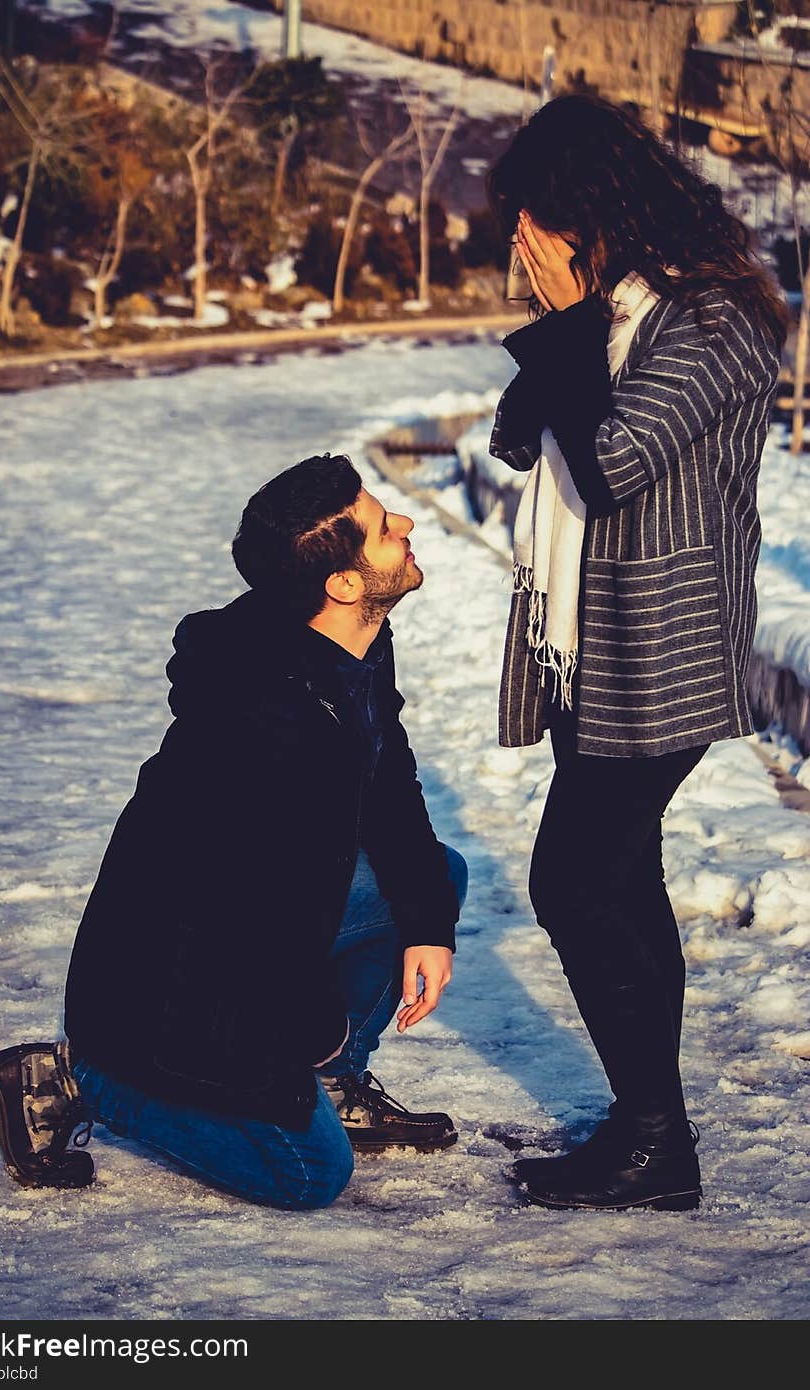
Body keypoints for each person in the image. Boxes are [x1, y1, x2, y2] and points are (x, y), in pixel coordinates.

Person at [0, 454, 468, 1210]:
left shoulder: (348, 650)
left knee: (434, 876)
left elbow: (390, 786)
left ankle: (332, 1087)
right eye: (381, 528)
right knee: (309, 1177)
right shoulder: (265, 726)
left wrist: (428, 925)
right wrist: (306, 1037)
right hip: (171, 983)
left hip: (254, 938)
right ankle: (77, 1077)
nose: (404, 526)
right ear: (340, 584)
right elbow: (228, 932)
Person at [485, 95, 788, 1212]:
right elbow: (520, 435)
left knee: (573, 877)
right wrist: (564, 330)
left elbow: (607, 464)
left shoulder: (713, 323)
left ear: (592, 212)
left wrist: (564, 336)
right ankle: (646, 1133)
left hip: (656, 642)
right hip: (586, 635)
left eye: (535, 223)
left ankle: (657, 1139)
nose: (522, 247)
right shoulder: (618, 312)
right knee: (618, 877)